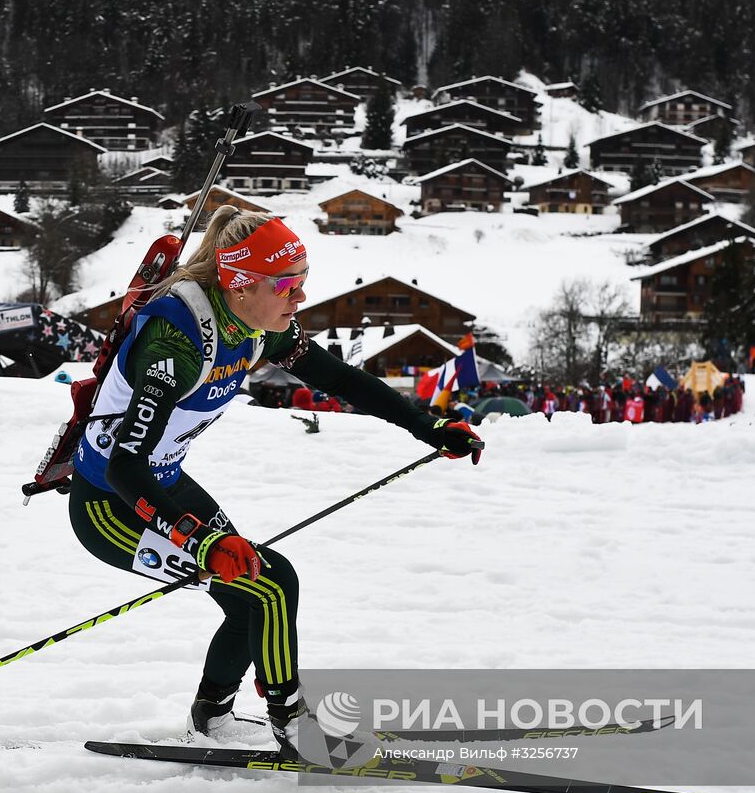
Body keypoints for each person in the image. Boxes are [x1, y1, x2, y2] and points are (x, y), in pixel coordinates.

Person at [64, 208, 482, 755]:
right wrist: (203, 540)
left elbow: (337, 377)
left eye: (302, 284)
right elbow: (125, 465)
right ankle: (294, 723)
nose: (299, 298)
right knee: (269, 581)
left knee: (255, 593)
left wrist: (427, 426)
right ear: (239, 284)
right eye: (287, 285)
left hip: (162, 481)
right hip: (113, 505)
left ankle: (213, 716)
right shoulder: (177, 342)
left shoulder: (256, 326)